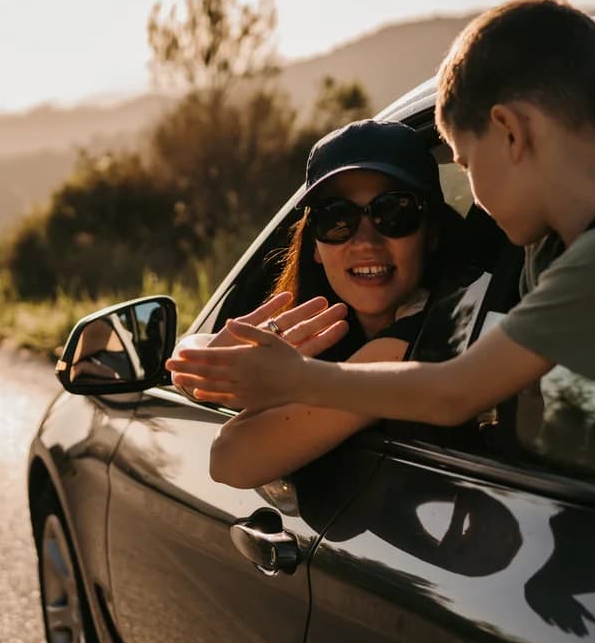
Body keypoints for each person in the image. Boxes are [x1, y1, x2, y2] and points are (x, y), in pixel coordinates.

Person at [168, 0, 595, 446]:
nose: (473, 191)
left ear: (510, 131)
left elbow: (454, 393)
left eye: (467, 162)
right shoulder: (555, 251)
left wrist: (296, 378)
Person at [181, 119, 458, 487]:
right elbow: (192, 354)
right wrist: (200, 357)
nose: (364, 241)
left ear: (433, 231)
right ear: (314, 244)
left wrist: (273, 376)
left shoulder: (415, 344)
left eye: (393, 212)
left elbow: (230, 460)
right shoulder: (333, 328)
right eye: (336, 218)